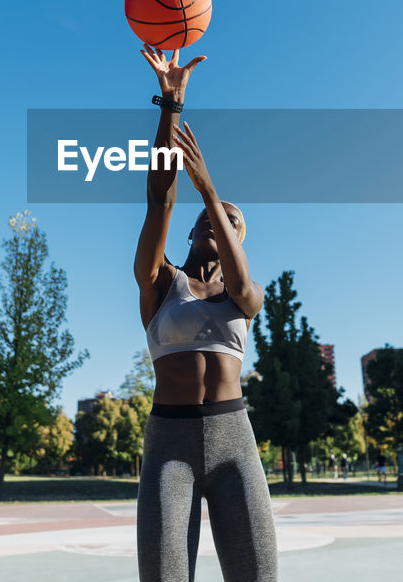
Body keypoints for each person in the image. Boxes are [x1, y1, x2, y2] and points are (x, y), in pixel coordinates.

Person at [133, 46, 278, 582]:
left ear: (237, 238)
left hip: (234, 441)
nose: (215, 221)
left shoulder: (247, 295)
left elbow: (240, 282)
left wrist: (212, 191)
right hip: (168, 444)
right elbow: (158, 202)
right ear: (193, 233)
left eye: (229, 220)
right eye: (207, 218)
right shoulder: (161, 282)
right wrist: (171, 107)